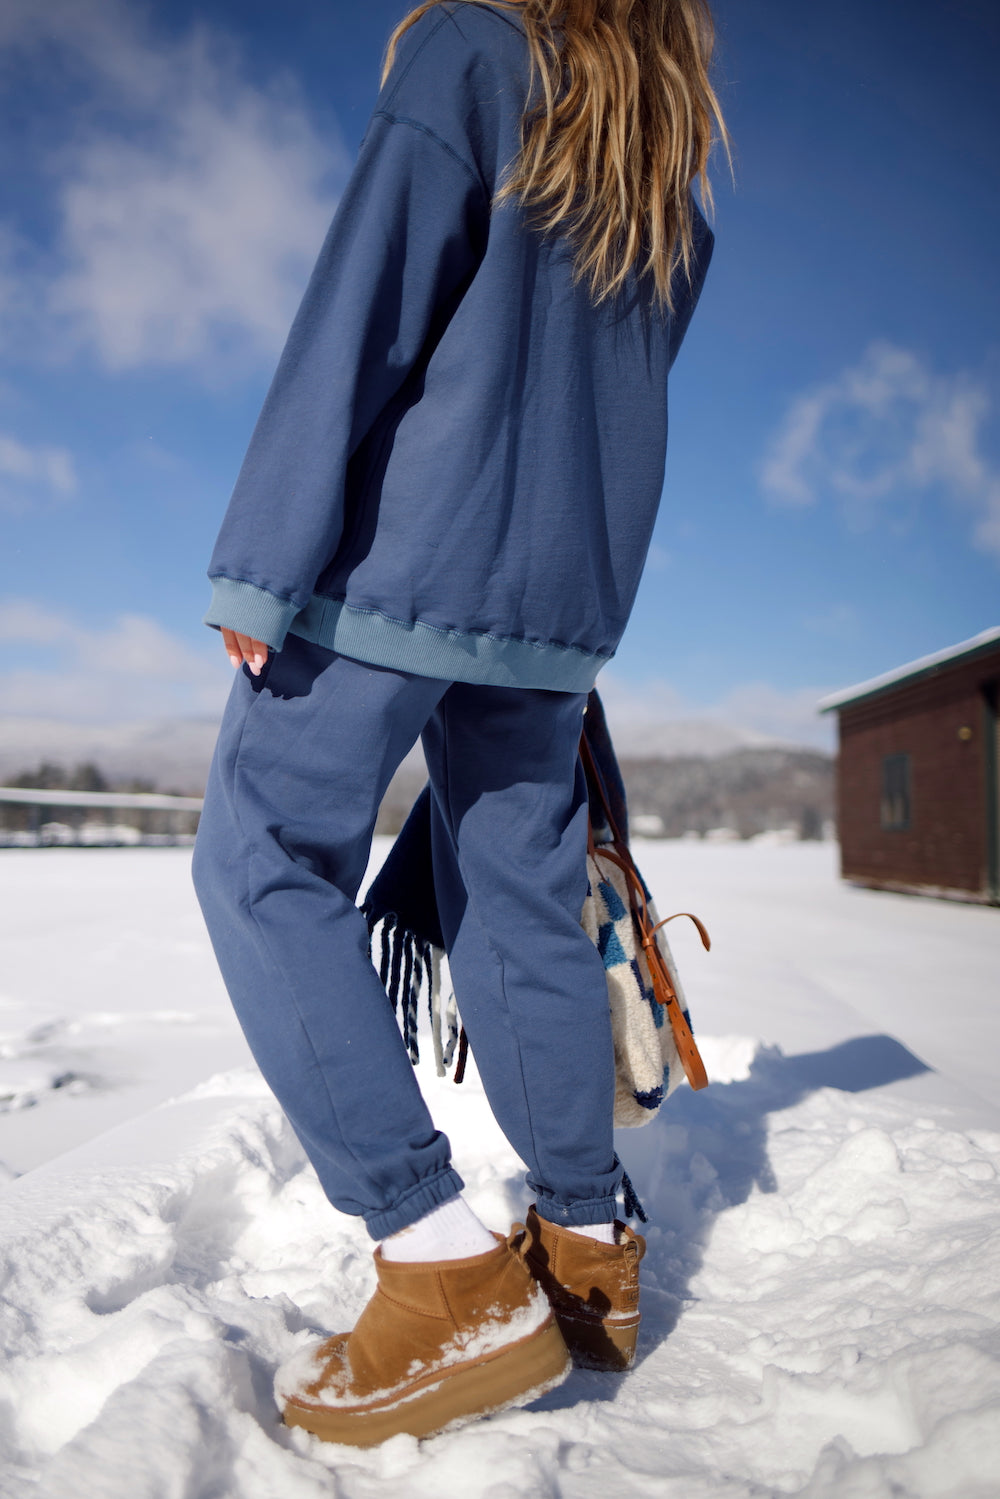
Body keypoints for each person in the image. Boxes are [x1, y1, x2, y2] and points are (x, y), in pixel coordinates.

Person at [192, 0, 726, 1447]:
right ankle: (587, 1250)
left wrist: (266, 548)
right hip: (557, 610)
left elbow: (362, 305)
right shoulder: (659, 168)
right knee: (516, 907)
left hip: (406, 568)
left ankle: (437, 1270)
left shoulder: (479, 55)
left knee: (256, 857)